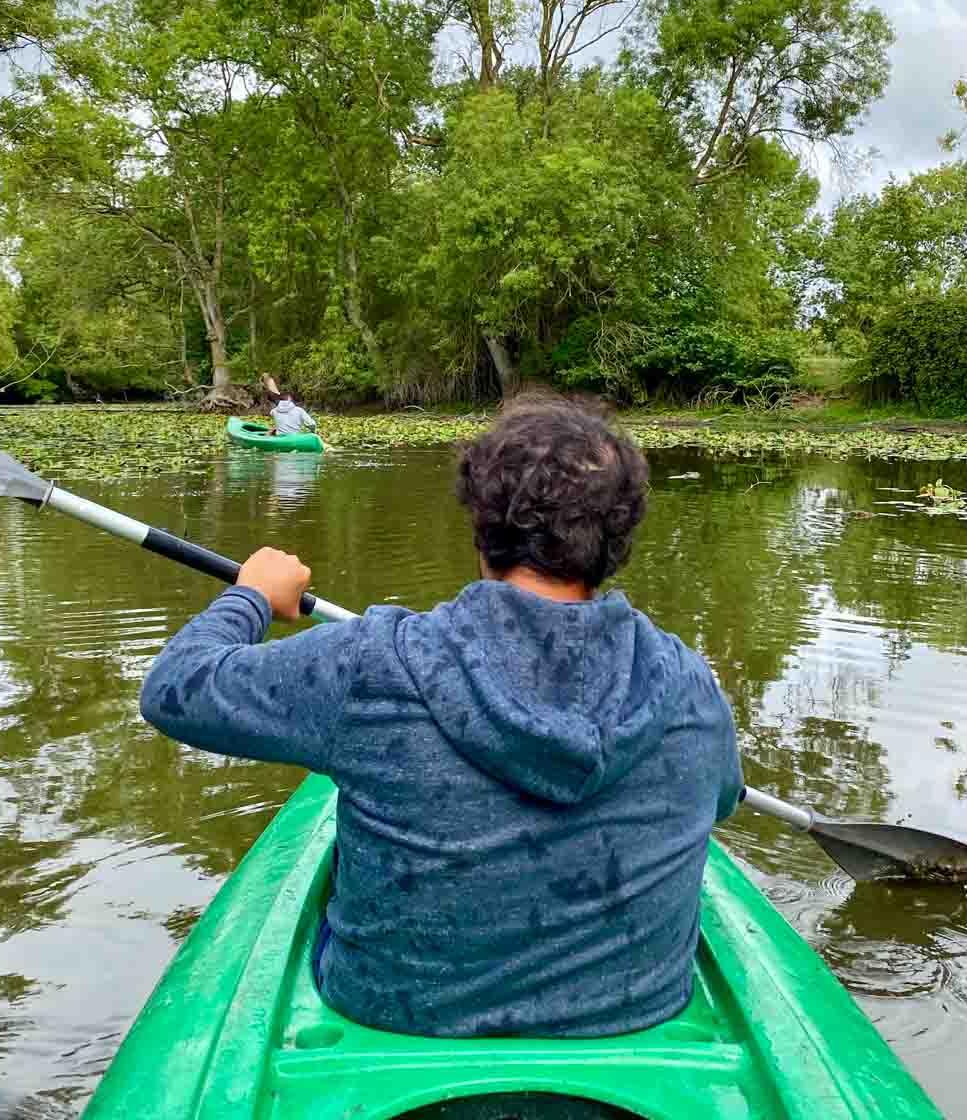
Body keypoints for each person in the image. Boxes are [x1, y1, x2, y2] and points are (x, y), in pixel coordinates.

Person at [139, 394, 742, 1039]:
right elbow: (723, 800)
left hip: (392, 1015)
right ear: (618, 541)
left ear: (482, 527)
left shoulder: (373, 661)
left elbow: (176, 686)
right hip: (631, 1017)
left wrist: (252, 596)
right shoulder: (686, 684)